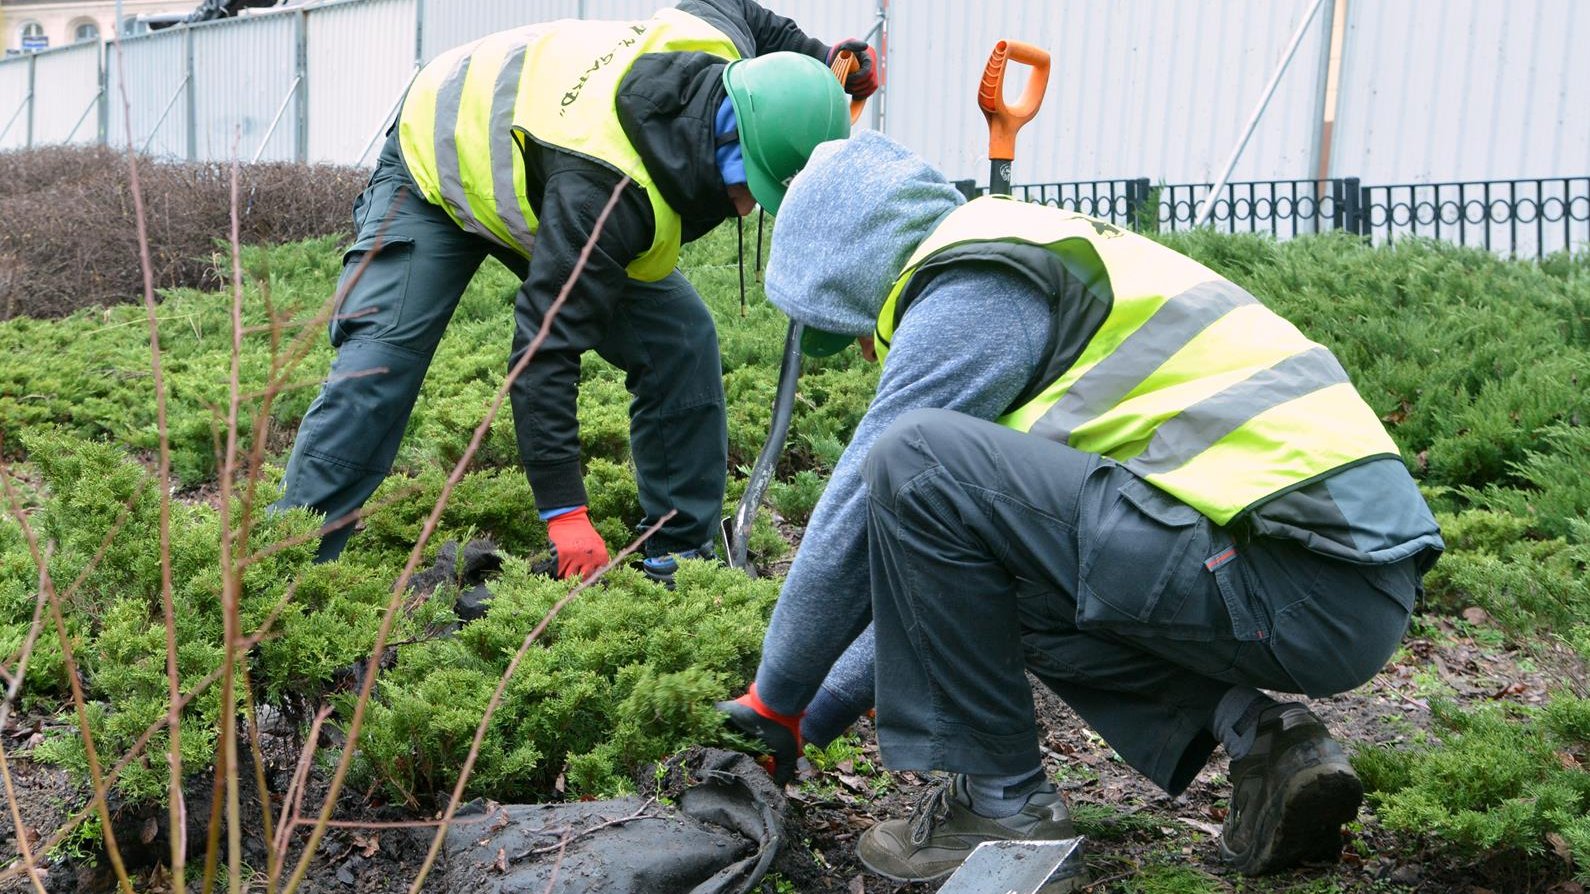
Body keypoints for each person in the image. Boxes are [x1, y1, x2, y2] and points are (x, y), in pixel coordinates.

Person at [717, 132, 1443, 882]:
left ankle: (999, 809)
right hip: (1342, 588)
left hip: (1292, 571)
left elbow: (866, 498)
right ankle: (1265, 740)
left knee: (911, 453)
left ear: (857, 263)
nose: (873, 354)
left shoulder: (977, 291)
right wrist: (818, 714)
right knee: (989, 547)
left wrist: (775, 700)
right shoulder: (1039, 253)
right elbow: (943, 582)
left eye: (860, 329)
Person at [275, 1, 872, 582]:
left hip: (543, 179)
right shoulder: (608, 195)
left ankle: (679, 558)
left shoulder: (716, 43)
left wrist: (821, 61)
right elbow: (543, 350)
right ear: (730, 149)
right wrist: (565, 514)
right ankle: (285, 582)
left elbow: (738, 5)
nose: (749, 209)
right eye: (755, 187)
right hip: (437, 158)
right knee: (380, 365)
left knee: (680, 341)